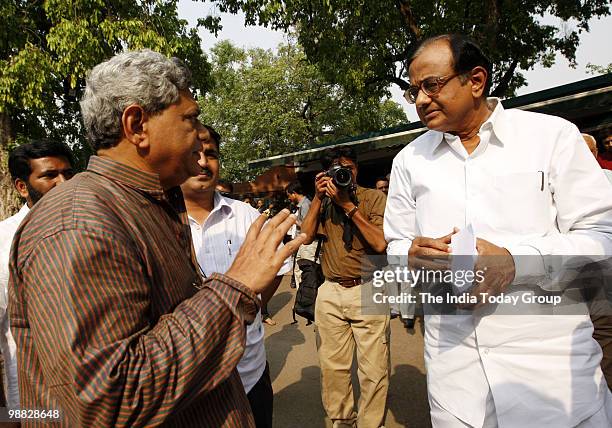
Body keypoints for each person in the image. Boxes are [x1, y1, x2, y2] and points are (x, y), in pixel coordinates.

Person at [8, 50, 304, 427]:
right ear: (137, 125)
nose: (200, 135)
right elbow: (110, 401)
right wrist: (235, 288)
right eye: (190, 118)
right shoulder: (78, 223)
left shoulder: (152, 202)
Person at [384, 34, 612, 427]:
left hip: (553, 383)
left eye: (431, 85)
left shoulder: (552, 137)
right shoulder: (409, 161)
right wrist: (409, 254)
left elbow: (602, 236)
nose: (421, 100)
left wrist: (515, 262)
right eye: (413, 90)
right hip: (456, 386)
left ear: (476, 80)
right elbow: (395, 242)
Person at [300, 147, 389, 428]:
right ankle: (341, 422)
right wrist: (317, 198)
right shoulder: (324, 202)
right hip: (330, 290)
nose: (344, 174)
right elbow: (305, 236)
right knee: (333, 368)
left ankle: (371, 425)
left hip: (368, 286)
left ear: (357, 169)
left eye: (348, 168)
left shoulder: (374, 198)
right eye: (338, 170)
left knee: (374, 369)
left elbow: (379, 243)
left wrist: (348, 206)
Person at [0, 139, 74, 408]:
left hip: (93, 396)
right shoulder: (4, 241)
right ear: (22, 187)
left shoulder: (89, 228)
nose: (63, 183)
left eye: (68, 173)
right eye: (50, 175)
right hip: (33, 403)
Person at [286, 181, 319, 288]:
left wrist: (293, 220)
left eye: (289, 195)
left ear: (294, 193)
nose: (289, 198)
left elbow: (308, 227)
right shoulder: (303, 204)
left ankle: (305, 298)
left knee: (305, 273)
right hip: (303, 244)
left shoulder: (305, 205)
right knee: (300, 271)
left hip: (307, 245)